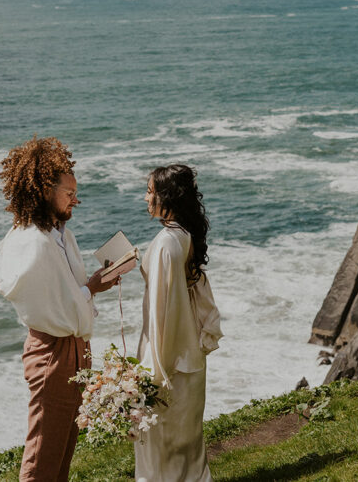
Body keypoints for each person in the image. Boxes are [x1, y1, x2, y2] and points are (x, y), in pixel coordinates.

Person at [0, 136, 116, 482]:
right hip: (52, 353)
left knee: (63, 449)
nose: (76, 199)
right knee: (43, 454)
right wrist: (86, 291)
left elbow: (65, 294)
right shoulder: (34, 242)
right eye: (69, 193)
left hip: (73, 349)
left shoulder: (59, 235)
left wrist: (90, 288)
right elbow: (38, 291)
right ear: (46, 190)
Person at [135, 164, 223, 482]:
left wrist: (152, 370)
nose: (145, 198)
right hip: (190, 358)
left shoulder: (164, 244)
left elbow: (163, 312)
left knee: (161, 449)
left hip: (170, 363)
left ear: (166, 196)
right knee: (187, 447)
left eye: (149, 191)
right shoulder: (184, 235)